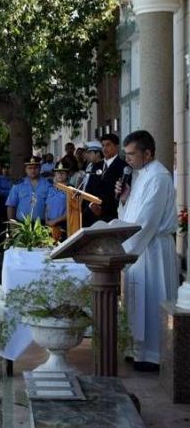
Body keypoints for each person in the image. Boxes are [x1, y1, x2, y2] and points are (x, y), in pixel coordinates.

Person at [116, 130, 179, 372]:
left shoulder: (159, 177)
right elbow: (132, 213)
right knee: (137, 299)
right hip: (139, 247)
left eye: (132, 154)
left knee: (153, 298)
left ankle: (154, 355)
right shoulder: (141, 174)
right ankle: (136, 350)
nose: (128, 159)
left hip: (152, 249)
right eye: (126, 154)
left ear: (148, 153)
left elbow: (148, 220)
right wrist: (124, 199)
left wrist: (126, 249)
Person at [5, 156, 50, 222]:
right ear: (25, 169)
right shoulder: (18, 185)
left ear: (40, 168)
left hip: (42, 224)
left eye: (35, 168)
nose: (33, 170)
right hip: (22, 224)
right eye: (30, 168)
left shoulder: (48, 185)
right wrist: (12, 223)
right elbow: (11, 205)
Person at [78, 140, 105, 227]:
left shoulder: (103, 166)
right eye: (87, 153)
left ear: (97, 153)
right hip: (86, 205)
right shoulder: (90, 166)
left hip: (95, 207)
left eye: (90, 153)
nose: (87, 155)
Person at [44, 161, 69, 240]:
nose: (60, 174)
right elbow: (47, 207)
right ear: (55, 174)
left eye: (63, 173)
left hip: (63, 225)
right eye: (58, 172)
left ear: (68, 175)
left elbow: (69, 211)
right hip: (49, 224)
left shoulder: (71, 190)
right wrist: (47, 220)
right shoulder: (51, 189)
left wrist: (54, 221)